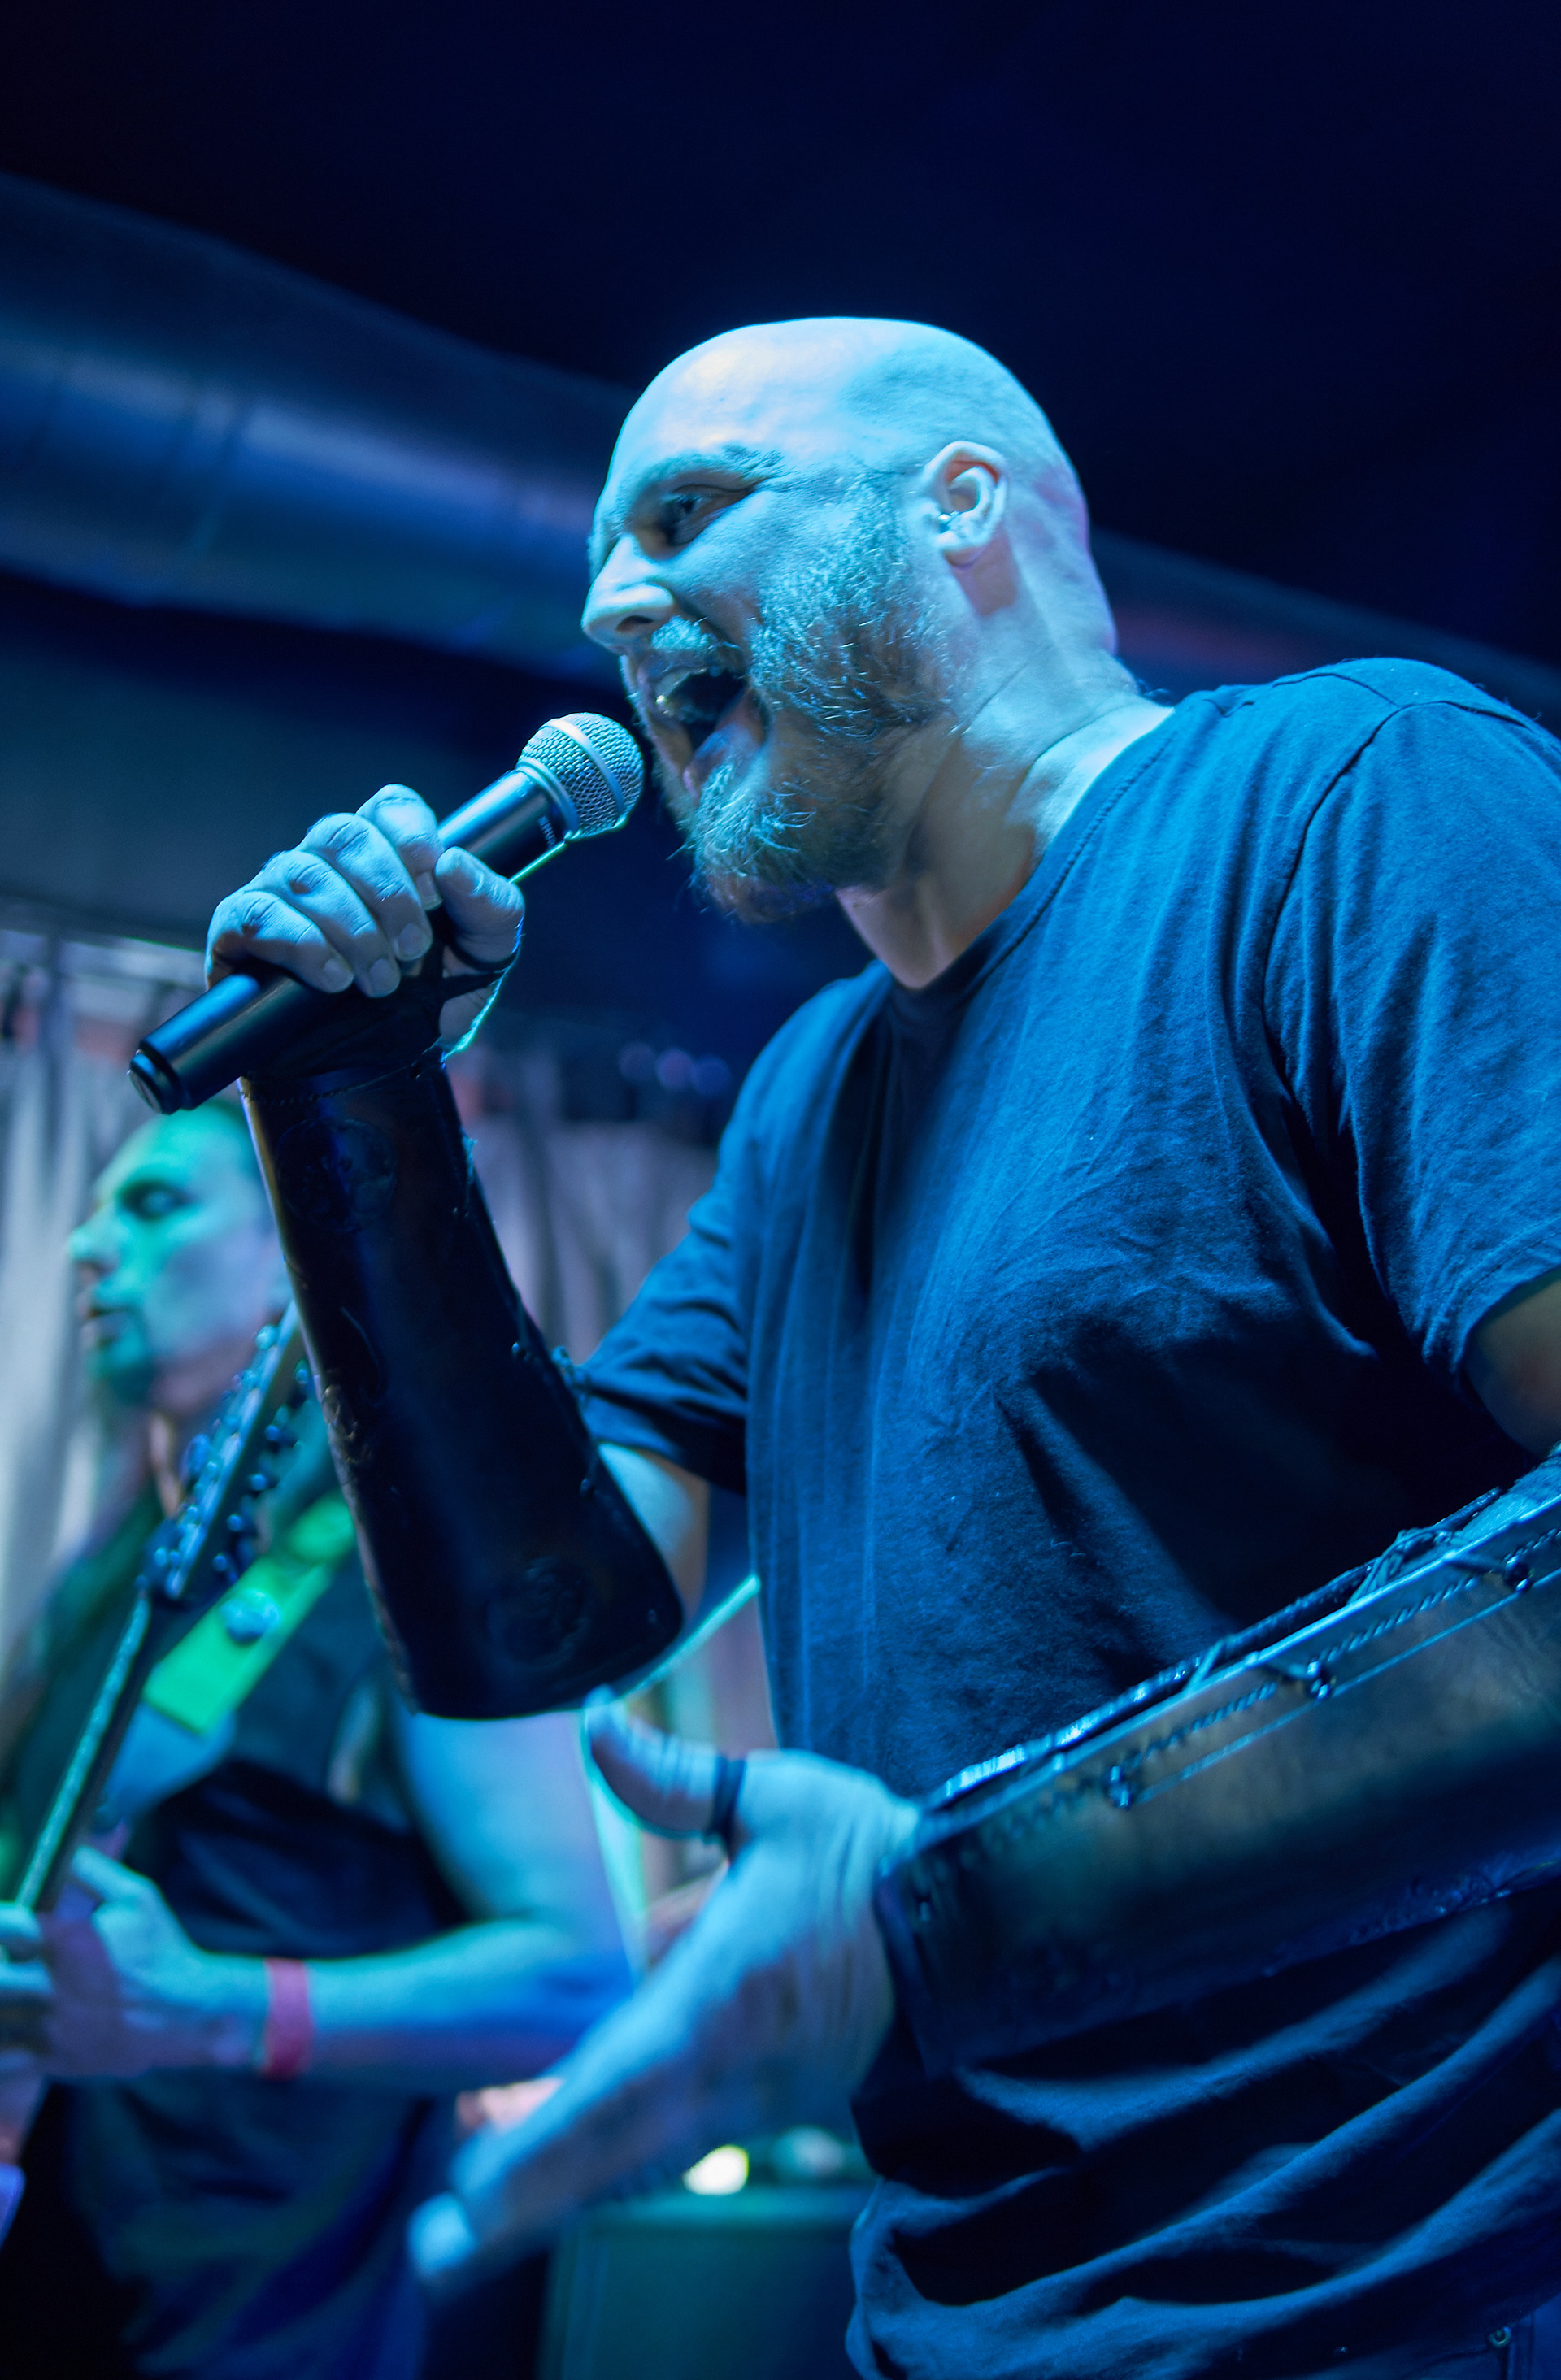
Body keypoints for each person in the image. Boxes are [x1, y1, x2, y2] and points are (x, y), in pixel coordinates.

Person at [190, 316, 1561, 2379]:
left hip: (1412, 2309)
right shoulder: (812, 1097)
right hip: (959, 2321)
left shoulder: (1352, 802)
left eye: (687, 513)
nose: (613, 608)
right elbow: (537, 1626)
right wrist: (358, 1103)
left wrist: (939, 1920)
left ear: (962, 508)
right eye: (600, 566)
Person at [0, 1097, 631, 2380]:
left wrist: (223, 2011)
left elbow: (579, 1977)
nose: (88, 1246)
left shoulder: (412, 1573)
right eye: (99, 1209)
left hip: (268, 2329)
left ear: (288, 1257)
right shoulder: (109, 1575)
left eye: (155, 1204)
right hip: (56, 2295)